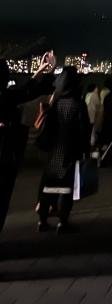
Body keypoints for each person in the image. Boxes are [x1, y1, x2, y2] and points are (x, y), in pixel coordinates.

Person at [0, 52, 55, 233]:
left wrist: (40, 70)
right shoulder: (6, 98)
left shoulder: (6, 97)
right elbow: (28, 91)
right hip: (5, 156)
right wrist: (47, 70)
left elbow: (26, 90)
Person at [36, 66, 90, 232]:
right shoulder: (78, 103)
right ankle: (62, 222)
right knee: (65, 189)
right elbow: (84, 129)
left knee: (48, 187)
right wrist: (85, 150)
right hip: (70, 150)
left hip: (54, 151)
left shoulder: (55, 101)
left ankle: (42, 221)